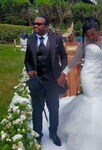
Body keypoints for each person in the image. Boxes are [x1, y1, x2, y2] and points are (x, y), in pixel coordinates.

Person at [57, 17, 102, 150]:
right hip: (88, 76)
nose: (90, 37)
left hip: (101, 76)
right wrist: (63, 73)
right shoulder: (84, 43)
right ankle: (88, 139)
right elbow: (75, 60)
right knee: (91, 103)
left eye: (93, 34)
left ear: (99, 31)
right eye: (88, 35)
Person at [24, 16, 67, 146]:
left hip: (53, 81)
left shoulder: (57, 39)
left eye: (38, 24)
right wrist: (30, 70)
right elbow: (27, 60)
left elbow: (64, 57)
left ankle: (53, 133)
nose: (34, 26)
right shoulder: (31, 39)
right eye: (34, 23)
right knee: (37, 109)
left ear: (46, 27)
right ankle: (37, 135)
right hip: (37, 81)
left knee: (53, 109)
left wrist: (62, 73)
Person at [62, 27, 81, 97]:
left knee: (74, 78)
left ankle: (74, 93)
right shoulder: (64, 44)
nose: (70, 37)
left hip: (75, 64)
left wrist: (79, 62)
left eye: (71, 35)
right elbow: (62, 55)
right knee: (67, 79)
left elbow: (80, 54)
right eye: (69, 35)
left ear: (74, 35)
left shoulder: (78, 44)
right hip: (66, 64)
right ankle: (67, 94)